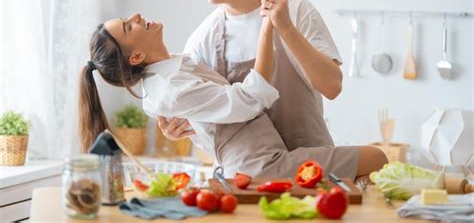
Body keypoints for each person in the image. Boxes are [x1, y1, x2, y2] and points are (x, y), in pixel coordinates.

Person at [157, 0, 387, 180]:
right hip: (249, 182)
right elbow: (217, 129)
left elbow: (332, 86)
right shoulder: (202, 41)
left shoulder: (297, 11)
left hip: (314, 173)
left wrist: (286, 29)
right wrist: (185, 126)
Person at [77, 11, 379, 179]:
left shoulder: (171, 70)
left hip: (262, 163)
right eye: (128, 26)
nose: (136, 15)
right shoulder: (168, 88)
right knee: (377, 157)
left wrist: (186, 128)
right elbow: (247, 100)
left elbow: (206, 114)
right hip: (263, 169)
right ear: (136, 55)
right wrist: (268, 29)